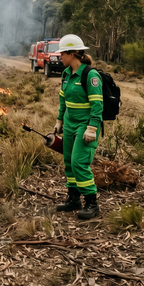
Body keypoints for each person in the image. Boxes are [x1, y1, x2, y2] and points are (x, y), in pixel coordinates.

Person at [53, 34, 103, 219]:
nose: (60, 57)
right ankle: (73, 199)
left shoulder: (90, 75)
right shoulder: (66, 74)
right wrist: (59, 121)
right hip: (70, 124)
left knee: (79, 162)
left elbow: (97, 105)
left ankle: (92, 203)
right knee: (68, 162)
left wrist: (92, 128)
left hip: (85, 125)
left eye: (62, 54)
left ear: (72, 54)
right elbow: (62, 99)